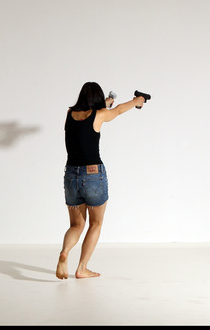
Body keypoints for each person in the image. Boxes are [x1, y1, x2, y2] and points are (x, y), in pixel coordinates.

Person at [56, 82, 146, 279]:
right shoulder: (100, 114)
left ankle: (65, 252)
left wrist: (104, 103)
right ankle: (81, 268)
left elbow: (84, 120)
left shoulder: (69, 114)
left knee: (76, 226)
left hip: (71, 175)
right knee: (95, 224)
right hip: (93, 175)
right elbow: (120, 110)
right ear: (97, 99)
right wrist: (137, 100)